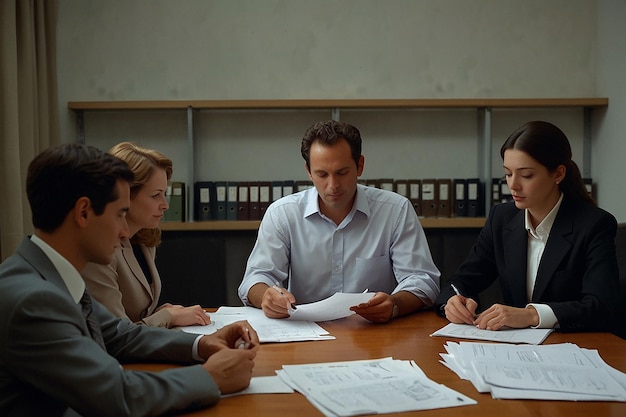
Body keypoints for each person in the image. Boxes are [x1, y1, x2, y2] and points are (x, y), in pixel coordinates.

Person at [0, 143, 259, 416]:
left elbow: (119, 334)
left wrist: (202, 344)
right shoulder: (34, 300)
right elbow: (117, 395)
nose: (125, 232)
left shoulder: (48, 275)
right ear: (83, 212)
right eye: (120, 214)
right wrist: (212, 377)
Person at [238, 120, 440, 323]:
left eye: (342, 173)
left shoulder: (395, 211)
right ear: (308, 171)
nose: (332, 185)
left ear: (360, 166)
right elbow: (256, 278)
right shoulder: (282, 214)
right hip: (304, 333)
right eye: (322, 174)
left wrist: (395, 304)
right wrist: (266, 296)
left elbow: (422, 281)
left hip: (375, 334)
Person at [435, 120, 619, 332]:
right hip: (515, 350)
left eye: (526, 175)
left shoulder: (594, 225)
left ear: (558, 174)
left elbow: (601, 306)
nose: (513, 185)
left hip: (572, 346)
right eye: (508, 173)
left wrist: (532, 315)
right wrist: (454, 301)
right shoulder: (501, 218)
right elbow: (461, 281)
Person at [82, 142, 210, 328]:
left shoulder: (144, 237)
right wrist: (166, 317)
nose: (165, 204)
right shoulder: (99, 251)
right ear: (125, 195)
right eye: (156, 195)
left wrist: (160, 315)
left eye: (164, 193)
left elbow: (139, 315)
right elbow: (115, 335)